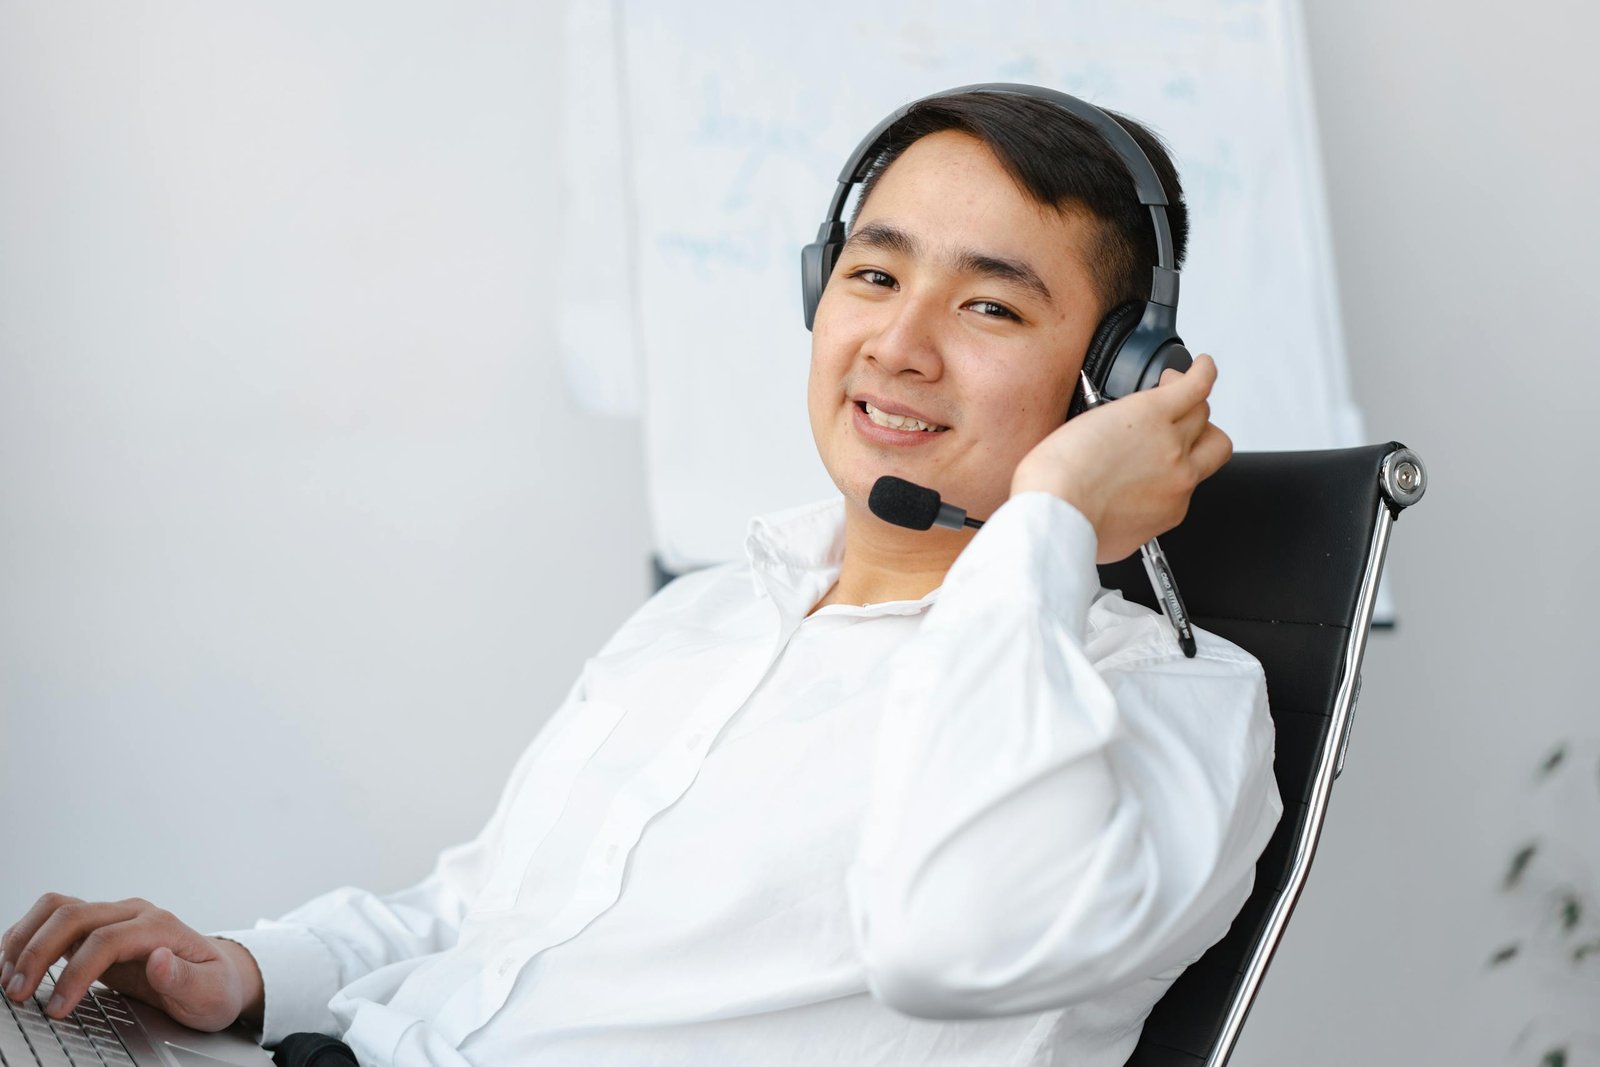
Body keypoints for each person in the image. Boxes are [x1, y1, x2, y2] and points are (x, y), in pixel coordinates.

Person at [0, 88, 1282, 1066]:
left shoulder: (1170, 706)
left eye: (990, 308)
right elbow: (489, 918)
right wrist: (242, 968)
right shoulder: (713, 614)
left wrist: (1047, 521)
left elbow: (949, 938)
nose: (896, 344)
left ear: (1115, 376)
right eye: (874, 275)